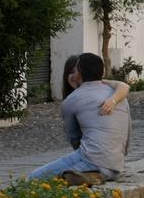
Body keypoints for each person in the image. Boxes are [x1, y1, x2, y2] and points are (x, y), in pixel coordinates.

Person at [30, 53, 131, 185]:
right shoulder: (118, 97)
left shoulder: (71, 101)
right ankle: (92, 175)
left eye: (75, 70)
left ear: (79, 74)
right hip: (116, 166)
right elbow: (128, 133)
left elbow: (74, 139)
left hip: (92, 160)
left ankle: (88, 172)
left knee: (34, 178)